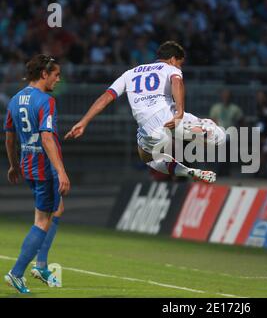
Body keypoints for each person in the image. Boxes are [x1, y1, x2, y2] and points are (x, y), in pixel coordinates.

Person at [65, 41, 225, 183]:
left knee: (147, 158)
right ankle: (201, 130)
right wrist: (180, 112)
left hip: (148, 128)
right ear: (173, 59)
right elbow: (177, 82)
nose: (180, 67)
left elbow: (106, 98)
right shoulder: (170, 68)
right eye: (180, 63)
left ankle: (187, 171)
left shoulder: (129, 74)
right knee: (220, 136)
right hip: (169, 117)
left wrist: (84, 121)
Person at [3, 54, 70, 293]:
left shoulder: (14, 100)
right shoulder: (46, 101)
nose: (58, 79)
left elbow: (9, 137)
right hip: (45, 169)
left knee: (55, 209)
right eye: (56, 74)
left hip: (27, 165)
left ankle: (41, 264)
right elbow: (47, 136)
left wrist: (13, 165)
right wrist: (61, 171)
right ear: (44, 74)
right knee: (43, 222)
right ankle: (17, 273)